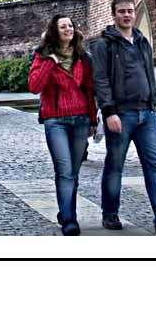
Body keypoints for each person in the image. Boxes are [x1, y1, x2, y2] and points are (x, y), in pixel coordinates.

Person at [89, 0, 156, 235]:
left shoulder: (142, 41)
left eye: (130, 11)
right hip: (121, 114)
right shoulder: (104, 45)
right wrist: (108, 111)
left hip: (146, 115)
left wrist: (153, 104)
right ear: (114, 14)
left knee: (153, 165)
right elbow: (100, 80)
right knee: (115, 166)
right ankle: (110, 213)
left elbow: (149, 73)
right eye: (122, 11)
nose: (127, 15)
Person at [28, 15, 98, 236]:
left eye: (70, 25)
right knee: (65, 171)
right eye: (63, 26)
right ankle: (69, 219)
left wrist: (93, 120)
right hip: (56, 120)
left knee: (74, 172)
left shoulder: (83, 57)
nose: (68, 29)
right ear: (54, 31)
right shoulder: (42, 56)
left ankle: (66, 210)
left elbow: (89, 90)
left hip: (80, 120)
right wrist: (49, 62)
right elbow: (34, 86)